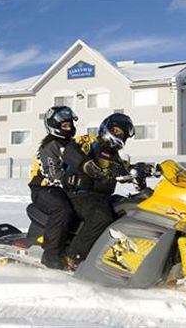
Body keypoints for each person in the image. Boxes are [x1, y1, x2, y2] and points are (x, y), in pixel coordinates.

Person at [62, 113, 135, 268]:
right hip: (79, 195)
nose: (119, 135)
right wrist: (85, 164)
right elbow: (69, 151)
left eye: (122, 134)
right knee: (101, 217)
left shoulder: (115, 157)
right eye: (116, 131)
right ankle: (73, 256)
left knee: (131, 208)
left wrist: (142, 170)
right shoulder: (89, 141)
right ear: (106, 127)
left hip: (101, 197)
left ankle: (124, 256)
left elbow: (124, 172)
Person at [28, 106, 78, 270]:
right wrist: (73, 180)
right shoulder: (50, 145)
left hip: (64, 188)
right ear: (54, 126)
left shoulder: (72, 144)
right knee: (62, 209)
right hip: (44, 189)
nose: (69, 128)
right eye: (64, 125)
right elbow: (53, 173)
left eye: (70, 124)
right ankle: (50, 255)